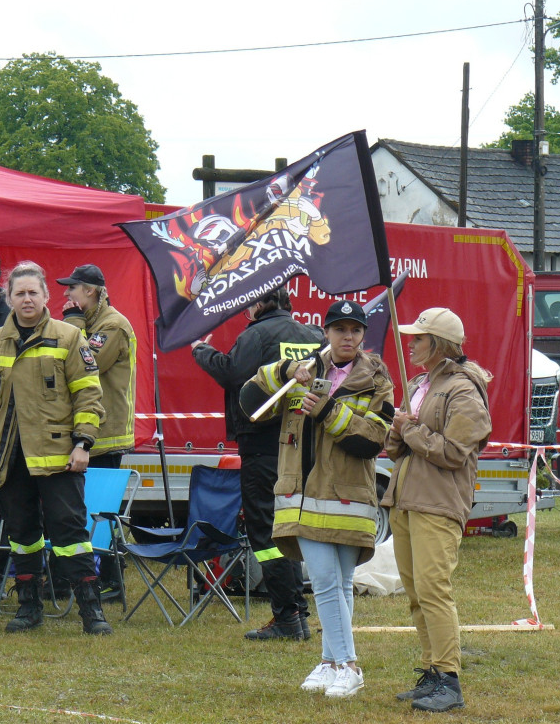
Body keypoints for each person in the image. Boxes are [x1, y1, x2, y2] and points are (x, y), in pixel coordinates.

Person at [240, 300, 394, 698]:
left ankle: (337, 664)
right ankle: (343, 664)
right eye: (340, 329)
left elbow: (373, 440)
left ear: (363, 336)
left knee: (340, 584)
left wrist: (327, 411)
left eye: (355, 330)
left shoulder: (378, 379)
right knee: (325, 583)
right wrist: (286, 371)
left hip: (350, 497)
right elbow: (249, 400)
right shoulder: (303, 369)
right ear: (325, 331)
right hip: (301, 496)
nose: (348, 337)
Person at [0, 261, 112, 635]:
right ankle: (28, 608)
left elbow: (89, 394)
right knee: (21, 535)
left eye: (33, 292)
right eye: (19, 293)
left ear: (45, 296)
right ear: (9, 298)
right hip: (9, 459)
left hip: (61, 458)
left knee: (71, 534)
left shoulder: (70, 338)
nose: (26, 299)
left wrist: (83, 443)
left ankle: (91, 611)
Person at [191, 286, 323, 640]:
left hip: (263, 446)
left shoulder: (256, 334)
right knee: (293, 530)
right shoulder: (313, 335)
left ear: (262, 301)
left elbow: (231, 372)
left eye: (249, 300)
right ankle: (299, 616)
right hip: (303, 446)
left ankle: (286, 617)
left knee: (266, 534)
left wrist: (200, 350)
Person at [384, 307, 492, 713]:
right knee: (416, 593)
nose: (410, 343)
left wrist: (408, 429)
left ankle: (449, 680)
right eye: (410, 337)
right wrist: (397, 430)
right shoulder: (420, 384)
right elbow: (400, 445)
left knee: (433, 591)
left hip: (438, 502)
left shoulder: (464, 390)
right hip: (406, 498)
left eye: (418, 338)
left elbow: (453, 451)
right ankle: (431, 673)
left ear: (440, 345)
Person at [57, 264, 136, 468]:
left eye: (72, 288)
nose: (66, 293)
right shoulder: (87, 322)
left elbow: (86, 364)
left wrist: (74, 323)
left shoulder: (113, 325)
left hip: (105, 437)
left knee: (96, 500)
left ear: (90, 290)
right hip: (85, 430)